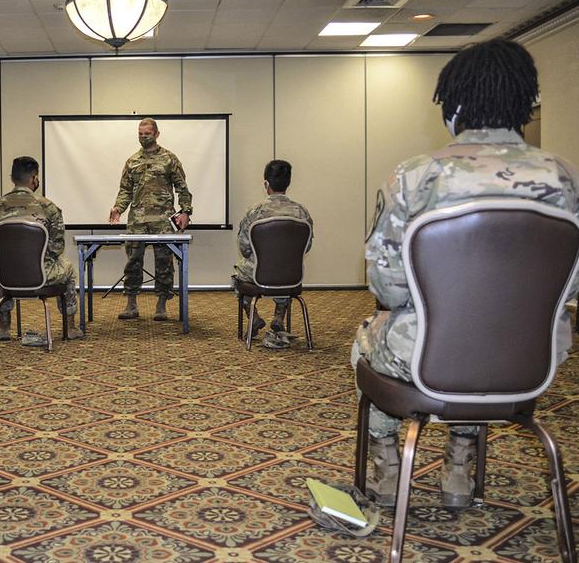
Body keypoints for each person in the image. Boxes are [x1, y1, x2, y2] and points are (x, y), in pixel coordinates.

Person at [352, 39, 579, 509]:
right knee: (481, 340)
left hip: (426, 356)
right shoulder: (565, 177)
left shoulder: (416, 176)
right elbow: (571, 285)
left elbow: (386, 288)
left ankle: (388, 471)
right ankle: (458, 468)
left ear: (453, 106)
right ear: (523, 102)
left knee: (365, 342)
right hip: (532, 361)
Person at [0, 156, 84, 344]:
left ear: (12, 178)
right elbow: (57, 247)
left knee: (1, 268)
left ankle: (4, 327)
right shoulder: (48, 207)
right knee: (69, 268)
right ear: (34, 178)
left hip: (7, 277)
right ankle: (70, 327)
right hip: (42, 276)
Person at [109, 118, 193, 321]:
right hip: (137, 220)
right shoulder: (132, 161)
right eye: (140, 133)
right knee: (133, 261)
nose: (143, 137)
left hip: (163, 219)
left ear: (156, 134)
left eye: (147, 133)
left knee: (164, 261)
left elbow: (182, 188)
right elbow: (125, 191)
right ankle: (131, 305)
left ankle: (161, 305)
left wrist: (185, 212)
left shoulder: (169, 159)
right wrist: (118, 208)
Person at [234, 160, 313, 349]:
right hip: (291, 276)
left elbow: (245, 248)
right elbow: (307, 246)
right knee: (282, 269)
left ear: (266, 184)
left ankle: (254, 319)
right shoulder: (301, 212)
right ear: (288, 183)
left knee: (237, 276)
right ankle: (279, 317)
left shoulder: (255, 212)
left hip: (258, 275)